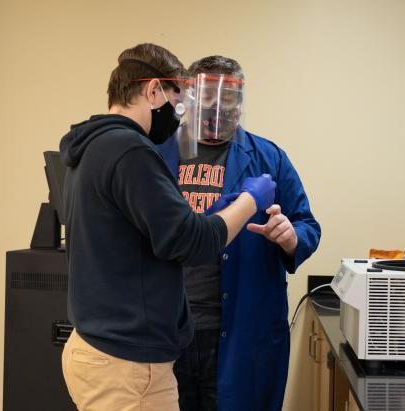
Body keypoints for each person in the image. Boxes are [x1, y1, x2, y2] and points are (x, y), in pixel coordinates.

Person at [59, 44, 276, 411]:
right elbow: (193, 243)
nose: (178, 116)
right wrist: (249, 201)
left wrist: (213, 214)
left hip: (114, 347)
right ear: (152, 90)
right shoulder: (131, 151)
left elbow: (143, 232)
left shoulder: (92, 147)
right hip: (123, 361)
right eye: (177, 102)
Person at [158, 56, 321, 411]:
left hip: (241, 328)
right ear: (189, 97)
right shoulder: (157, 154)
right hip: (169, 327)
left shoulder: (268, 157)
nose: (219, 108)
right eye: (209, 98)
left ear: (241, 103)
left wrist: (291, 237)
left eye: (229, 99)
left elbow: (307, 225)